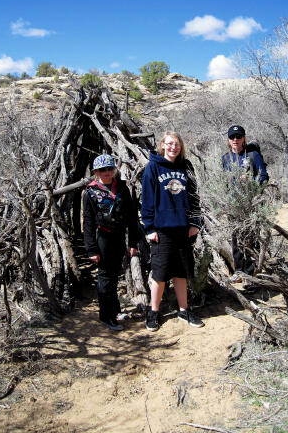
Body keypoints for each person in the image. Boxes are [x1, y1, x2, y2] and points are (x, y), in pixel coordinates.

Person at [141, 131, 205, 332]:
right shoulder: (153, 167)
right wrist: (149, 227)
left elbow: (194, 196)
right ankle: (154, 312)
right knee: (160, 273)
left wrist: (195, 222)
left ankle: (184, 309)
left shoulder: (186, 166)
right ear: (162, 145)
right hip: (162, 229)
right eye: (169, 144)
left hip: (183, 228)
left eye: (176, 144)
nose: (173, 147)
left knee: (181, 271)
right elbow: (147, 199)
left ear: (181, 146)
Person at [83, 154, 138, 331]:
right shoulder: (90, 192)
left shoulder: (121, 187)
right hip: (103, 239)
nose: (106, 172)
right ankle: (106, 316)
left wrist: (133, 242)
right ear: (96, 172)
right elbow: (89, 222)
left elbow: (131, 216)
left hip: (119, 237)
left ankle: (114, 311)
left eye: (109, 168)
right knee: (105, 277)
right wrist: (91, 249)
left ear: (114, 170)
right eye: (102, 170)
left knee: (113, 275)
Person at [222, 124, 269, 278]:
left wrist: (251, 182)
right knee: (236, 239)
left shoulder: (253, 155)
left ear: (244, 138)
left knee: (250, 239)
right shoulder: (225, 158)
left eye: (238, 136)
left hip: (250, 204)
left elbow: (263, 177)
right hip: (234, 204)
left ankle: (250, 275)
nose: (235, 139)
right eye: (232, 137)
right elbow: (222, 181)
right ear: (228, 140)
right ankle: (239, 271)